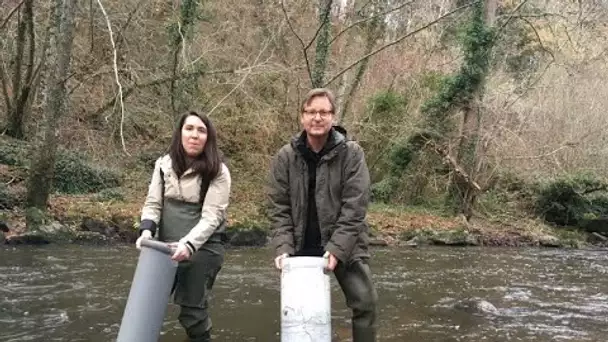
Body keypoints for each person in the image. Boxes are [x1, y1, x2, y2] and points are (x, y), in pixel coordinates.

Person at [268, 88, 378, 341]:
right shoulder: (285, 156)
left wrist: (337, 249)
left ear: (333, 117)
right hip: (299, 244)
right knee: (299, 311)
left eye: (324, 112)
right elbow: (278, 207)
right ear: (302, 117)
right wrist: (283, 246)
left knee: (366, 304)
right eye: (311, 112)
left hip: (345, 242)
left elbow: (356, 206)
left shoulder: (352, 153)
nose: (317, 118)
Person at [136, 111, 231, 342]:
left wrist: (188, 245)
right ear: (180, 133)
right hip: (162, 247)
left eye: (201, 131)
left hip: (203, 248)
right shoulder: (162, 164)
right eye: (189, 129)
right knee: (144, 306)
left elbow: (212, 217)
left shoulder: (218, 172)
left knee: (192, 314)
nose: (194, 135)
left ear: (208, 138)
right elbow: (153, 203)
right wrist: (146, 231)